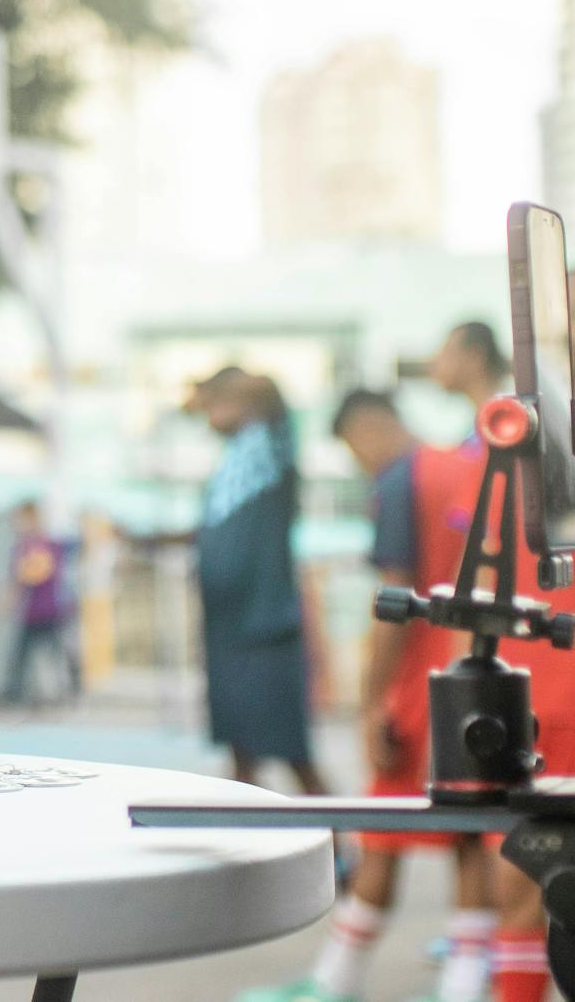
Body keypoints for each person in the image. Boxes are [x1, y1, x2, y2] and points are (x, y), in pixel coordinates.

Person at [241, 389, 492, 1002]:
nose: (360, 462)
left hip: (423, 679)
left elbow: (394, 600)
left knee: (382, 825)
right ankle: (464, 983)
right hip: (484, 672)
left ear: (367, 427)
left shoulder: (402, 479)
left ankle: (337, 981)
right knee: (473, 827)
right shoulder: (465, 466)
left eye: (354, 449)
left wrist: (373, 698)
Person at [429, 322, 575, 1002]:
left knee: (520, 889)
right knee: (520, 889)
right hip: (534, 697)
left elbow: (472, 583)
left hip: (538, 695)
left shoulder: (512, 442)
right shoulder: (515, 439)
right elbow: (474, 583)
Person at [188, 367, 328, 794]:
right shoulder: (231, 462)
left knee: (292, 753)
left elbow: (265, 395)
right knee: (240, 753)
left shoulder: (270, 447)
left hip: (264, 626)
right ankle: (243, 830)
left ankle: (336, 832)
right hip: (229, 629)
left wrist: (221, 391)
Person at [0, 500, 79, 705]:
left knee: (57, 654)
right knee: (24, 656)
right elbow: (17, 581)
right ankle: (15, 693)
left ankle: (68, 691)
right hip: (34, 612)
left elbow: (24, 579)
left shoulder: (45, 546)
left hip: (51, 611)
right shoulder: (28, 547)